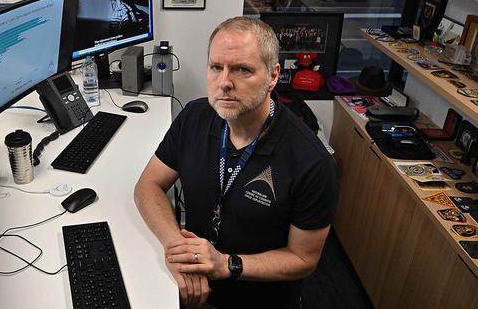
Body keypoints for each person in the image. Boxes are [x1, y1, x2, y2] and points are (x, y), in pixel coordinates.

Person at [134, 16, 338, 309]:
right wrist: (179, 251)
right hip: (191, 283)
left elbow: (304, 259)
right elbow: (148, 185)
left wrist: (226, 264)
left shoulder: (313, 164)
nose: (225, 83)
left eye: (242, 69)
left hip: (258, 299)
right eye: (216, 67)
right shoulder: (194, 117)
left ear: (272, 75)